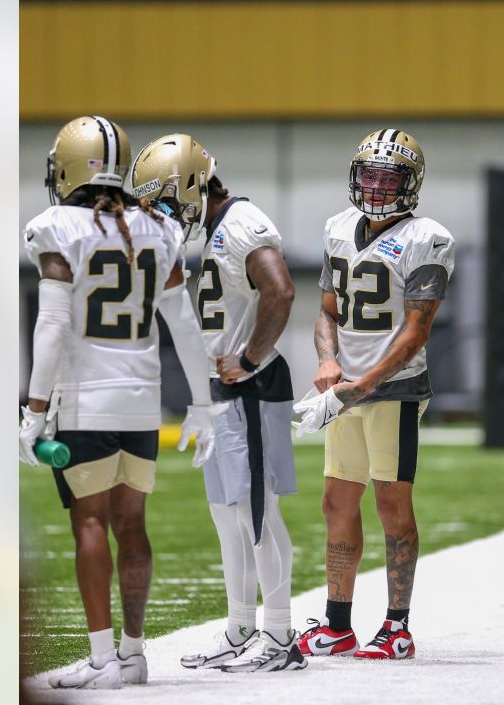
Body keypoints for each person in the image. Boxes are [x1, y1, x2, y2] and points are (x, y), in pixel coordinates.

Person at [18, 116, 219, 689]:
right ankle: (133, 654)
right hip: (141, 402)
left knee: (90, 523)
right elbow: (184, 325)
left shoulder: (57, 227)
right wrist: (201, 405)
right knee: (132, 524)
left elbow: (53, 325)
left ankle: (104, 659)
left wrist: (34, 412)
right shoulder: (158, 228)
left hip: (85, 401)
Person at [129, 134, 306, 673]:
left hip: (250, 388)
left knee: (258, 512)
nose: (161, 213)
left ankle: (279, 639)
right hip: (226, 391)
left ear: (189, 184)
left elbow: (280, 291)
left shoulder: (242, 224)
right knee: (228, 515)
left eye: (163, 200)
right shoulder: (215, 228)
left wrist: (250, 358)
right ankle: (241, 628)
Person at [292, 129, 455, 661]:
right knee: (336, 500)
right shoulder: (338, 227)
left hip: (395, 392)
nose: (378, 187)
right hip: (346, 391)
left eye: (390, 178)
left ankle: (397, 626)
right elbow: (326, 310)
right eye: (370, 175)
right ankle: (338, 624)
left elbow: (415, 332)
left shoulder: (428, 238)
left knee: (392, 502)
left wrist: (365, 384)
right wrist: (327, 359)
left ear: (411, 184)